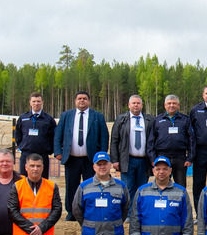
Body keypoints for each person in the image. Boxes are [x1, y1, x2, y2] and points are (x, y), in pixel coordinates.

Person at [54, 91, 109, 221]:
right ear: (75, 101)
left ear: (89, 101)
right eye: (79, 98)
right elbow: (58, 135)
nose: (82, 101)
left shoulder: (97, 116)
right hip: (71, 158)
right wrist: (57, 152)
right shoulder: (66, 116)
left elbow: (104, 137)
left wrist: (101, 158)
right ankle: (72, 213)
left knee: (91, 186)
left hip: (90, 160)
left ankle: (90, 211)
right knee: (71, 186)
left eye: (85, 99)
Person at [110, 94, 155, 198]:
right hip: (127, 160)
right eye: (133, 103)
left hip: (144, 161)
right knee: (128, 189)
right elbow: (114, 140)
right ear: (129, 105)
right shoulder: (121, 119)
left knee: (142, 190)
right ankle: (129, 214)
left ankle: (140, 213)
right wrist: (115, 160)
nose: (136, 105)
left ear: (142, 105)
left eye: (138, 103)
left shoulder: (149, 120)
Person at [151, 94, 194, 188]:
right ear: (165, 105)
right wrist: (152, 158)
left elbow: (191, 140)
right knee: (162, 184)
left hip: (180, 158)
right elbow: (151, 141)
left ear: (178, 105)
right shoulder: (158, 120)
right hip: (162, 157)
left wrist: (190, 158)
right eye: (169, 103)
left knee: (181, 186)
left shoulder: (185, 119)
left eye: (174, 103)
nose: (171, 105)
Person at [13, 91, 56, 176]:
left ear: (42, 102)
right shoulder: (23, 118)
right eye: (34, 101)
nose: (36, 103)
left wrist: (48, 150)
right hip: (26, 155)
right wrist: (22, 146)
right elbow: (18, 135)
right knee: (24, 181)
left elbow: (53, 137)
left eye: (38, 101)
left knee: (42, 181)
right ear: (30, 103)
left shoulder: (49, 119)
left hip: (42, 155)